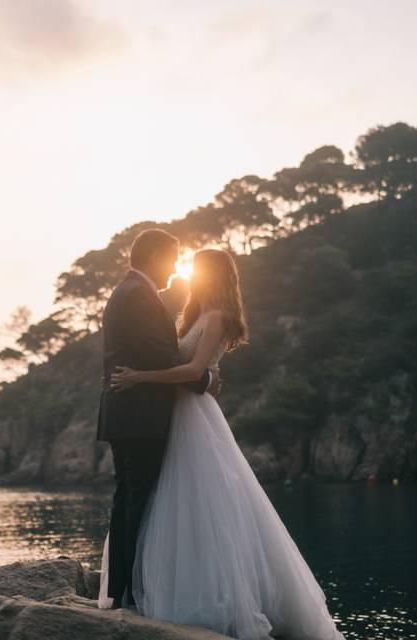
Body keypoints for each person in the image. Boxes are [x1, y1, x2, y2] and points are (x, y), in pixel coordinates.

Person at [98, 247, 346, 640]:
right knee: (172, 502)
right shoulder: (194, 314)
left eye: (197, 270)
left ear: (214, 275)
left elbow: (193, 370)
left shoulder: (218, 318)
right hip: (174, 414)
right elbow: (189, 368)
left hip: (192, 418)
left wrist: (140, 377)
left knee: (201, 502)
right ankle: (159, 585)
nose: (189, 276)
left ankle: (209, 594)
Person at [95, 228, 221, 609]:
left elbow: (153, 354)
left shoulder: (127, 292)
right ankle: (133, 589)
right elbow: (159, 356)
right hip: (139, 415)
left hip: (127, 413)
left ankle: (122, 588)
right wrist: (206, 378)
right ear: (153, 258)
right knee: (139, 500)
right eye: (171, 258)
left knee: (128, 499)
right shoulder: (139, 297)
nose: (174, 267)